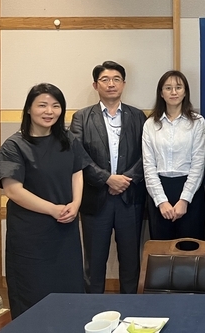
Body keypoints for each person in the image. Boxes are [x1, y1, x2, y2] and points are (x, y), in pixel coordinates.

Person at [0, 83, 87, 318]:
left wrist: (76, 203)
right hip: (31, 235)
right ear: (29, 109)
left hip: (65, 230)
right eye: (42, 105)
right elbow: (13, 191)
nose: (49, 111)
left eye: (56, 106)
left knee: (70, 292)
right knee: (33, 294)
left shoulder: (68, 139)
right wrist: (53, 209)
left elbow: (77, 171)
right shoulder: (14, 146)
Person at [70, 61, 147, 294]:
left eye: (116, 79)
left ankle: (129, 308)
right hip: (96, 199)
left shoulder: (138, 116)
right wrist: (107, 178)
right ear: (96, 85)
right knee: (94, 262)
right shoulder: (82, 117)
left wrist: (126, 179)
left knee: (131, 261)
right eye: (105, 79)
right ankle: (93, 310)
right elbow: (78, 155)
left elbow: (148, 154)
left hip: (130, 199)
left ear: (124, 83)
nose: (111, 84)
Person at [142, 70, 205, 240]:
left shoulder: (197, 122)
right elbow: (148, 166)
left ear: (185, 92)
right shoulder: (150, 124)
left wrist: (184, 200)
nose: (173, 92)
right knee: (162, 250)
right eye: (168, 88)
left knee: (191, 249)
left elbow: (198, 164)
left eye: (178, 87)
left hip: (190, 191)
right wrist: (161, 201)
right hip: (159, 190)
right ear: (161, 93)